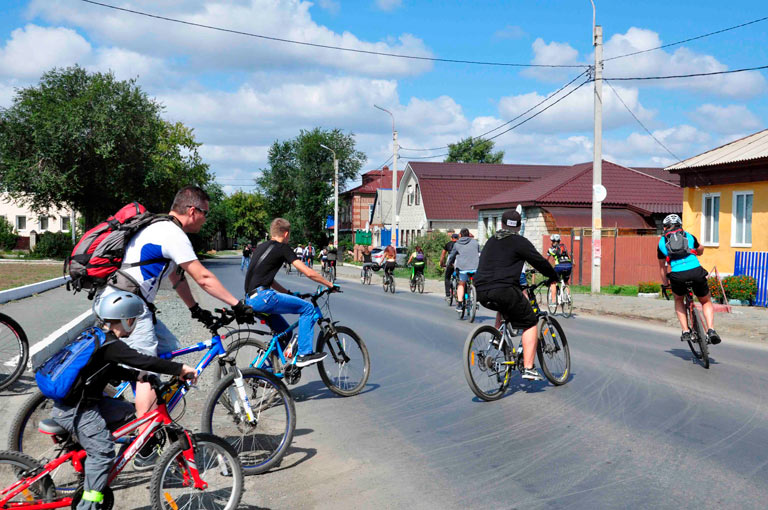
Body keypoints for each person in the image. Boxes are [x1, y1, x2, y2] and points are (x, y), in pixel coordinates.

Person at [94, 185, 253, 469]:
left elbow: (178, 280)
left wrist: (196, 310)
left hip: (126, 302)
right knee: (149, 368)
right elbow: (202, 277)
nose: (205, 219)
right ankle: (142, 445)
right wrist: (238, 304)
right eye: (204, 213)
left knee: (168, 348)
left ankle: (122, 400)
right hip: (129, 305)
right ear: (192, 211)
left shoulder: (161, 228)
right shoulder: (171, 232)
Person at [52, 292, 197, 510]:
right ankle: (88, 504)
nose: (135, 324)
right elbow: (143, 360)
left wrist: (136, 376)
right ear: (126, 319)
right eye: (134, 320)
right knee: (102, 453)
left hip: (87, 404)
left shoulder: (100, 337)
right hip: (78, 410)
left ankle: (100, 465)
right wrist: (180, 369)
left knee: (132, 416)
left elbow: (109, 367)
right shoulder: (112, 345)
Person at [474, 210, 559, 381]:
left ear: (502, 224)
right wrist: (553, 276)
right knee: (530, 321)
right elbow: (539, 261)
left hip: (481, 290)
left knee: (504, 307)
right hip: (503, 288)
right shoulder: (519, 242)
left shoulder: (491, 241)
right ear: (519, 227)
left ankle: (498, 342)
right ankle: (528, 367)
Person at [244, 218, 337, 367]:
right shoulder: (282, 247)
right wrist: (329, 284)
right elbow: (307, 272)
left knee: (285, 333)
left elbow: (267, 279)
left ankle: (263, 370)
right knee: (307, 309)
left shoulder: (260, 247)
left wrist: (288, 292)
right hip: (264, 297)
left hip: (250, 299)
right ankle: (304, 354)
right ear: (286, 234)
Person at [657, 214, 721, 345]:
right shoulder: (689, 236)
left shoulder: (661, 243)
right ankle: (711, 330)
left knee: (678, 299)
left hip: (678, 275)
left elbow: (662, 268)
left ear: (664, 228)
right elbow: (700, 249)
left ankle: (685, 331)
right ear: (680, 225)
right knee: (706, 301)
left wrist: (665, 284)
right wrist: (698, 251)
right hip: (696, 271)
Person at [447, 229, 480, 313]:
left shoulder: (457, 244)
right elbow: (479, 253)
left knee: (461, 284)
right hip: (475, 267)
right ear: (469, 235)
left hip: (463, 268)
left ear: (460, 235)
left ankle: (460, 304)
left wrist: (449, 264)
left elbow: (451, 256)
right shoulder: (475, 243)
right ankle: (476, 296)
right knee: (475, 283)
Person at [546, 234, 572, 301]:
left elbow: (546, 260)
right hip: (569, 265)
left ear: (552, 241)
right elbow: (569, 257)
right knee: (565, 281)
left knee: (553, 281)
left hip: (559, 266)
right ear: (559, 241)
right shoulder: (564, 247)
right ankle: (569, 297)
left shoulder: (551, 249)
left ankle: (553, 301)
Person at [440, 233, 459, 302]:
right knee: (460, 277)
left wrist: (441, 263)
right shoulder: (460, 244)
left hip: (450, 261)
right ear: (458, 238)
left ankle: (448, 295)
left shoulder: (448, 244)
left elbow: (443, 255)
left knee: (447, 277)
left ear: (451, 238)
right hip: (459, 261)